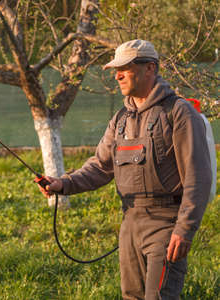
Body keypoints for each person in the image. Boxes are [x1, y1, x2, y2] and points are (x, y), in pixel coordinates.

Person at [38, 39, 212, 300]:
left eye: (125, 68)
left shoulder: (179, 112)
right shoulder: (120, 119)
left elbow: (198, 177)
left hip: (166, 224)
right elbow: (99, 166)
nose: (117, 75)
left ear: (150, 68)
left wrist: (184, 229)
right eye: (116, 69)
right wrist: (63, 184)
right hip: (130, 223)